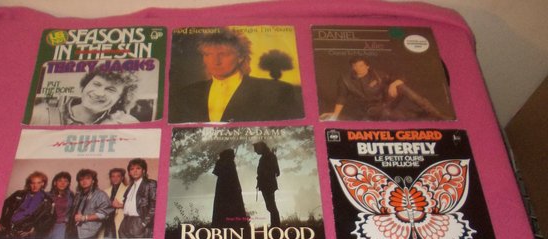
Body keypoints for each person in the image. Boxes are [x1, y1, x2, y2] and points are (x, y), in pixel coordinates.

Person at [169, 27, 303, 123]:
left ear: (240, 57)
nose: (215, 61)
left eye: (223, 54)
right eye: (208, 54)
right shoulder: (186, 94)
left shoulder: (276, 91)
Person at [320, 56, 450, 121]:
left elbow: (400, 77)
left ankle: (435, 114)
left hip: (386, 100)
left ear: (367, 66)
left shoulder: (377, 74)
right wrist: (335, 115)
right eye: (355, 66)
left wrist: (393, 84)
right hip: (371, 108)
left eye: (361, 65)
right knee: (390, 114)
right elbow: (341, 98)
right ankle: (422, 115)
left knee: (400, 86)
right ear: (352, 67)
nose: (358, 68)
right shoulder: (345, 80)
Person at [30, 66, 140, 125]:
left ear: (121, 99)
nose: (99, 93)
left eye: (110, 90)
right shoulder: (40, 115)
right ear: (85, 85)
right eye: (96, 84)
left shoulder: (127, 124)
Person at [0, 171, 54, 239]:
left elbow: (47, 218)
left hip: (24, 231)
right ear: (29, 183)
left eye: (38, 183)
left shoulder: (46, 200)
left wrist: (34, 229)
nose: (35, 186)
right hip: (7, 228)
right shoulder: (19, 194)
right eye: (33, 183)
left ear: (42, 183)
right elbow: (4, 205)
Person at [67, 169, 113, 239]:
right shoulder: (79, 195)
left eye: (87, 178)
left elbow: (104, 214)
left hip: (88, 233)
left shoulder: (100, 194)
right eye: (81, 179)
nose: (84, 181)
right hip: (74, 230)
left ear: (93, 180)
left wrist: (84, 218)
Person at [119, 158, 157, 239]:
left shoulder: (150, 184)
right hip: (125, 222)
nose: (135, 171)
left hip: (139, 222)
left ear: (143, 170)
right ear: (129, 172)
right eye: (132, 169)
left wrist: (144, 223)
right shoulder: (130, 186)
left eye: (138, 168)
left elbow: (155, 206)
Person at [212, 148, 248, 228]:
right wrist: (238, 186)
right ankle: (236, 224)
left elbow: (216, 172)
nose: (234, 156)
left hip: (222, 187)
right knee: (234, 204)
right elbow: (234, 176)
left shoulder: (220, 162)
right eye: (233, 155)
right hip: (231, 187)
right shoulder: (230, 162)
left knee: (222, 205)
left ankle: (221, 223)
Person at [254, 141, 280, 227]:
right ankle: (275, 224)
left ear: (261, 148)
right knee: (270, 206)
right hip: (267, 185)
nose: (255, 151)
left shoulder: (268, 157)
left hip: (267, 185)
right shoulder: (268, 157)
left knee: (271, 206)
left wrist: (264, 177)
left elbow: (276, 172)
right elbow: (277, 172)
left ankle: (275, 225)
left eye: (256, 149)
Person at [47, 171, 74, 239]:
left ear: (68, 183)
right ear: (55, 182)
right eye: (60, 181)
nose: (62, 183)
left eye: (65, 181)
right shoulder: (47, 195)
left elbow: (72, 212)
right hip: (47, 224)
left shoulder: (71, 196)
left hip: (61, 225)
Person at [102, 168, 127, 239]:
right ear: (110, 178)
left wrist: (121, 205)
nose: (115, 178)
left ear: (122, 178)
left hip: (121, 220)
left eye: (118, 176)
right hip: (107, 222)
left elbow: (133, 206)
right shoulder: (105, 191)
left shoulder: (127, 189)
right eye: (113, 176)